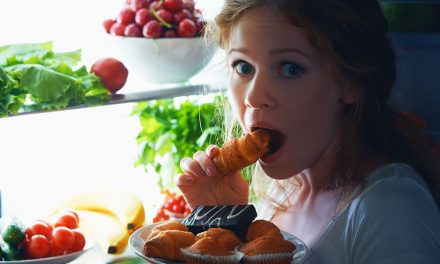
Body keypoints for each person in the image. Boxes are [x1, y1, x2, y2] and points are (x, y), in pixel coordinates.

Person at [175, 0, 440, 263]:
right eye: (243, 67)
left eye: (290, 68)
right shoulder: (282, 192)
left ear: (352, 81)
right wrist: (225, 226)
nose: (254, 97)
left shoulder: (392, 210)